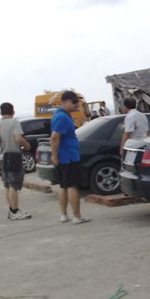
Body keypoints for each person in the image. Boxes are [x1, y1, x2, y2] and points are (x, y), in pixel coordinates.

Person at [50, 90, 90, 224]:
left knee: (64, 186)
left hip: (65, 156)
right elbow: (54, 137)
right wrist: (54, 155)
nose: (76, 105)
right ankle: (77, 216)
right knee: (72, 186)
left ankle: (64, 215)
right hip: (68, 156)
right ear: (64, 102)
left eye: (77, 102)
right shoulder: (62, 117)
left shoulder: (61, 115)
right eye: (73, 102)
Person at [0, 103, 32, 220]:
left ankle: (11, 210)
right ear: (13, 111)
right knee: (14, 185)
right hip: (13, 157)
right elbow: (19, 139)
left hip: (2, 157)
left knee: (7, 185)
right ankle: (15, 211)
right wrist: (26, 145)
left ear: (1, 112)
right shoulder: (14, 122)